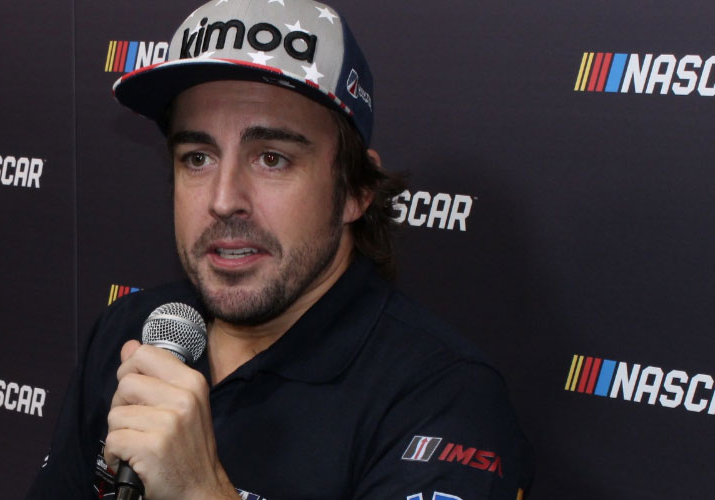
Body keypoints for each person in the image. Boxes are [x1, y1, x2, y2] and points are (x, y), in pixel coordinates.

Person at [26, 0, 534, 498]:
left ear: (357, 190)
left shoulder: (445, 398)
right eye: (198, 157)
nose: (224, 200)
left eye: (272, 158)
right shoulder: (132, 332)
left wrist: (198, 491)